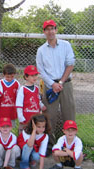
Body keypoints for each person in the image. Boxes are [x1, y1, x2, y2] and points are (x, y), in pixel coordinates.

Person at [36, 19, 76, 147]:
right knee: (49, 116)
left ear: (56, 30)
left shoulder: (66, 45)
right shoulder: (41, 50)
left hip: (66, 84)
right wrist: (53, 84)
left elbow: (70, 64)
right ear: (44, 32)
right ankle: (50, 145)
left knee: (69, 114)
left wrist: (60, 82)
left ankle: (71, 145)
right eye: (47, 29)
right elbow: (41, 70)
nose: (50, 31)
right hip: (50, 85)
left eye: (52, 28)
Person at [16, 65, 46, 134]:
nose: (35, 77)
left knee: (35, 133)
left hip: (35, 117)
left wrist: (41, 105)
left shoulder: (36, 88)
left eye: (36, 75)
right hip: (26, 117)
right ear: (26, 77)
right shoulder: (22, 89)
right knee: (24, 134)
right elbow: (19, 104)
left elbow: (38, 100)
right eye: (32, 75)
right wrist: (20, 117)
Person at [0, 64, 20, 128]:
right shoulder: (0, 83)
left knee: (10, 127)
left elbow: (18, 97)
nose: (10, 78)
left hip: (11, 110)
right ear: (3, 75)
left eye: (12, 76)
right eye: (7, 77)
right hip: (1, 110)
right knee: (0, 127)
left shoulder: (16, 84)